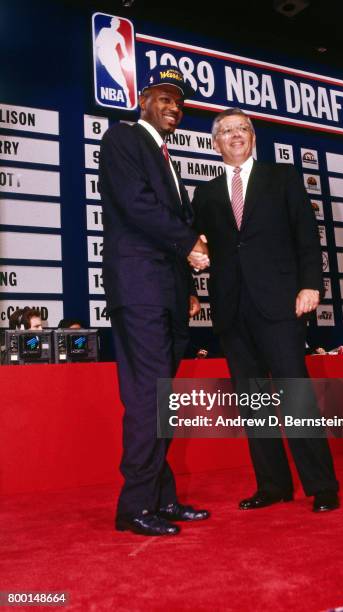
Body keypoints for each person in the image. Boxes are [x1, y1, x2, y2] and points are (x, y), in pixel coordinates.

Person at [192, 108, 339, 513]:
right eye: (227, 131)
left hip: (280, 303)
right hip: (232, 309)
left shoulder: (283, 178)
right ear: (215, 143)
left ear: (253, 138)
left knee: (295, 395)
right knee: (253, 402)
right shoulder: (203, 194)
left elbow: (307, 237)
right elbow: (198, 246)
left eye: (243, 129)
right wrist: (195, 261)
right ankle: (272, 486)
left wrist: (311, 284)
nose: (236, 135)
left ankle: (322, 485)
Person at [99, 66, 210, 536]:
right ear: (143, 99)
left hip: (165, 291)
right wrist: (190, 245)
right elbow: (138, 204)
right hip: (140, 285)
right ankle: (135, 507)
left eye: (179, 103)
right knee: (148, 397)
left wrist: (186, 289)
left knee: (159, 398)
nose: (173, 108)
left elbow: (163, 218)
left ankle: (161, 499)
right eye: (164, 98)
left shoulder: (165, 156)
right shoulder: (123, 139)